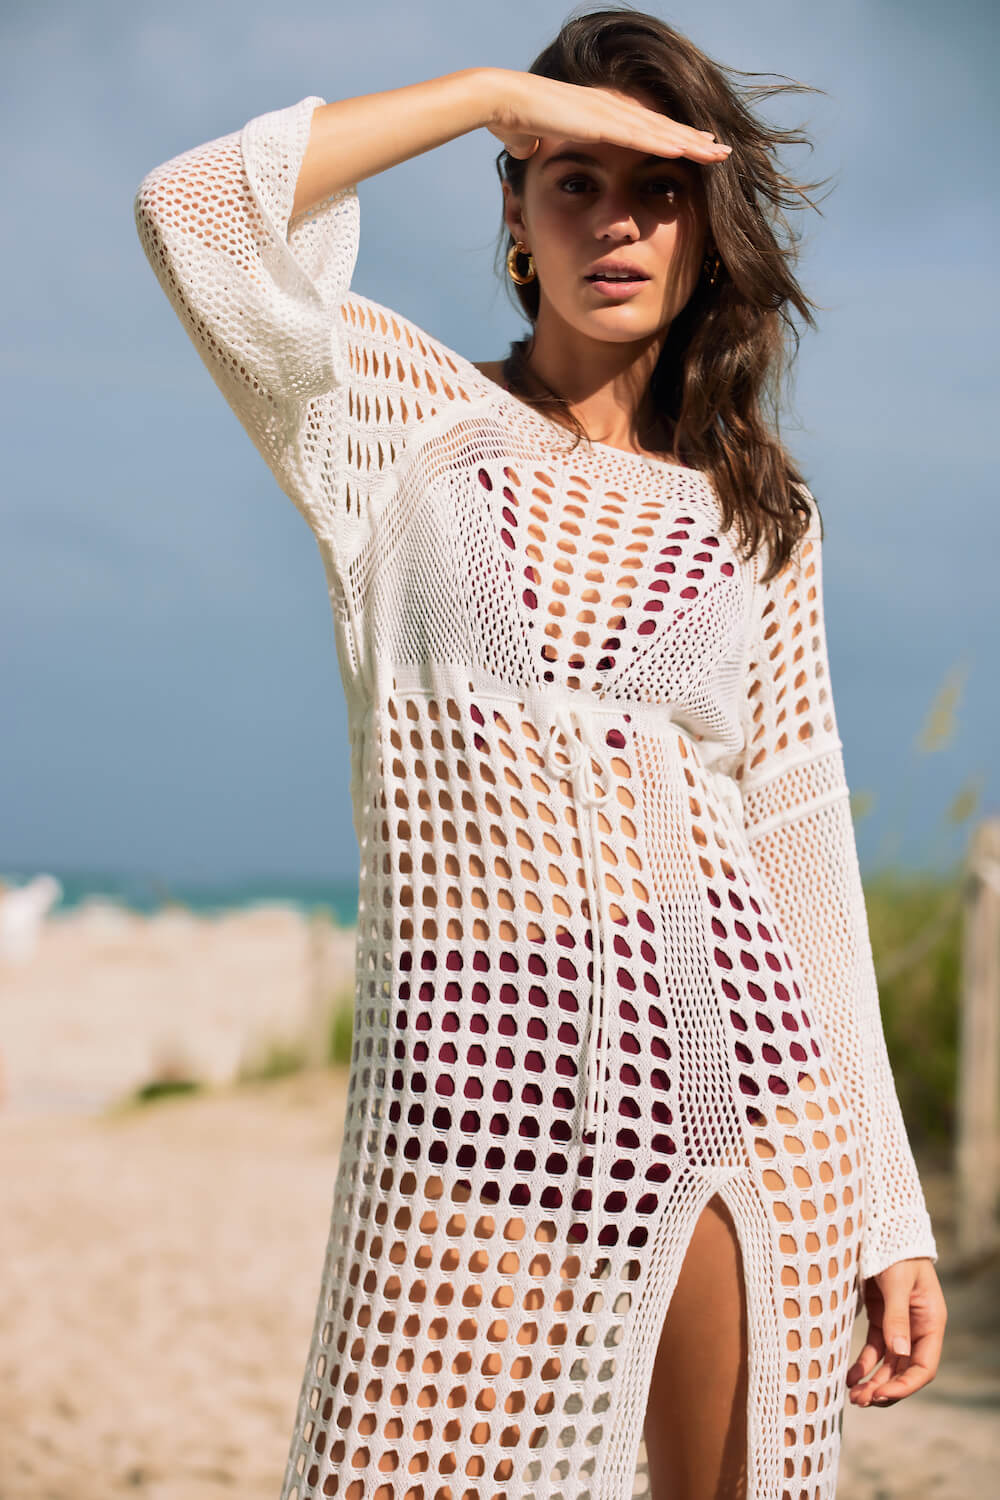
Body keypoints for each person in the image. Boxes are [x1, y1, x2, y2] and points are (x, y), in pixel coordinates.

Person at [133, 8, 947, 1498]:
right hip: (472, 1087)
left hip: (742, 1077)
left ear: (708, 226)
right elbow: (190, 211)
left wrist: (893, 1210)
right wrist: (497, 95)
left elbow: (801, 851)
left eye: (658, 187)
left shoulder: (760, 518)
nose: (618, 221)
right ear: (515, 208)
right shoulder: (399, 424)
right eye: (575, 179)